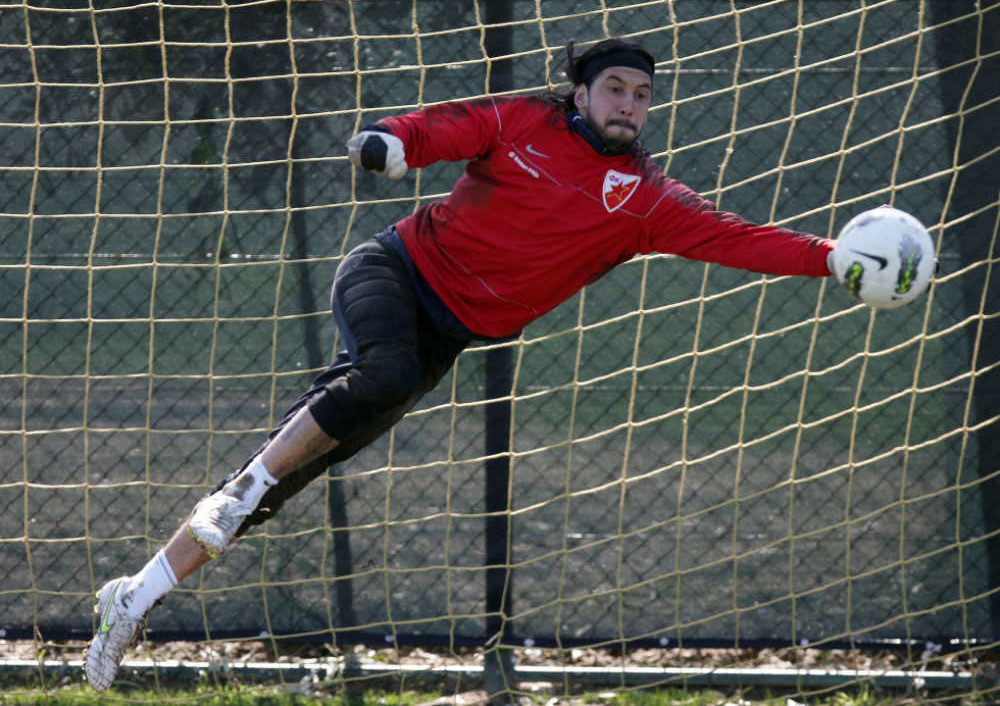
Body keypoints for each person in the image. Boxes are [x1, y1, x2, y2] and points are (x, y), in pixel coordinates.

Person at [84, 36, 838, 691]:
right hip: (393, 272)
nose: (630, 103)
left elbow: (741, 238)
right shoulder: (524, 121)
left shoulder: (647, 199)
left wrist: (836, 259)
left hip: (449, 333)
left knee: (299, 471)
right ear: (581, 91)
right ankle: (237, 490)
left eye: (643, 95)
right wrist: (390, 141)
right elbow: (440, 127)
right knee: (374, 382)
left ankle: (137, 592)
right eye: (615, 87)